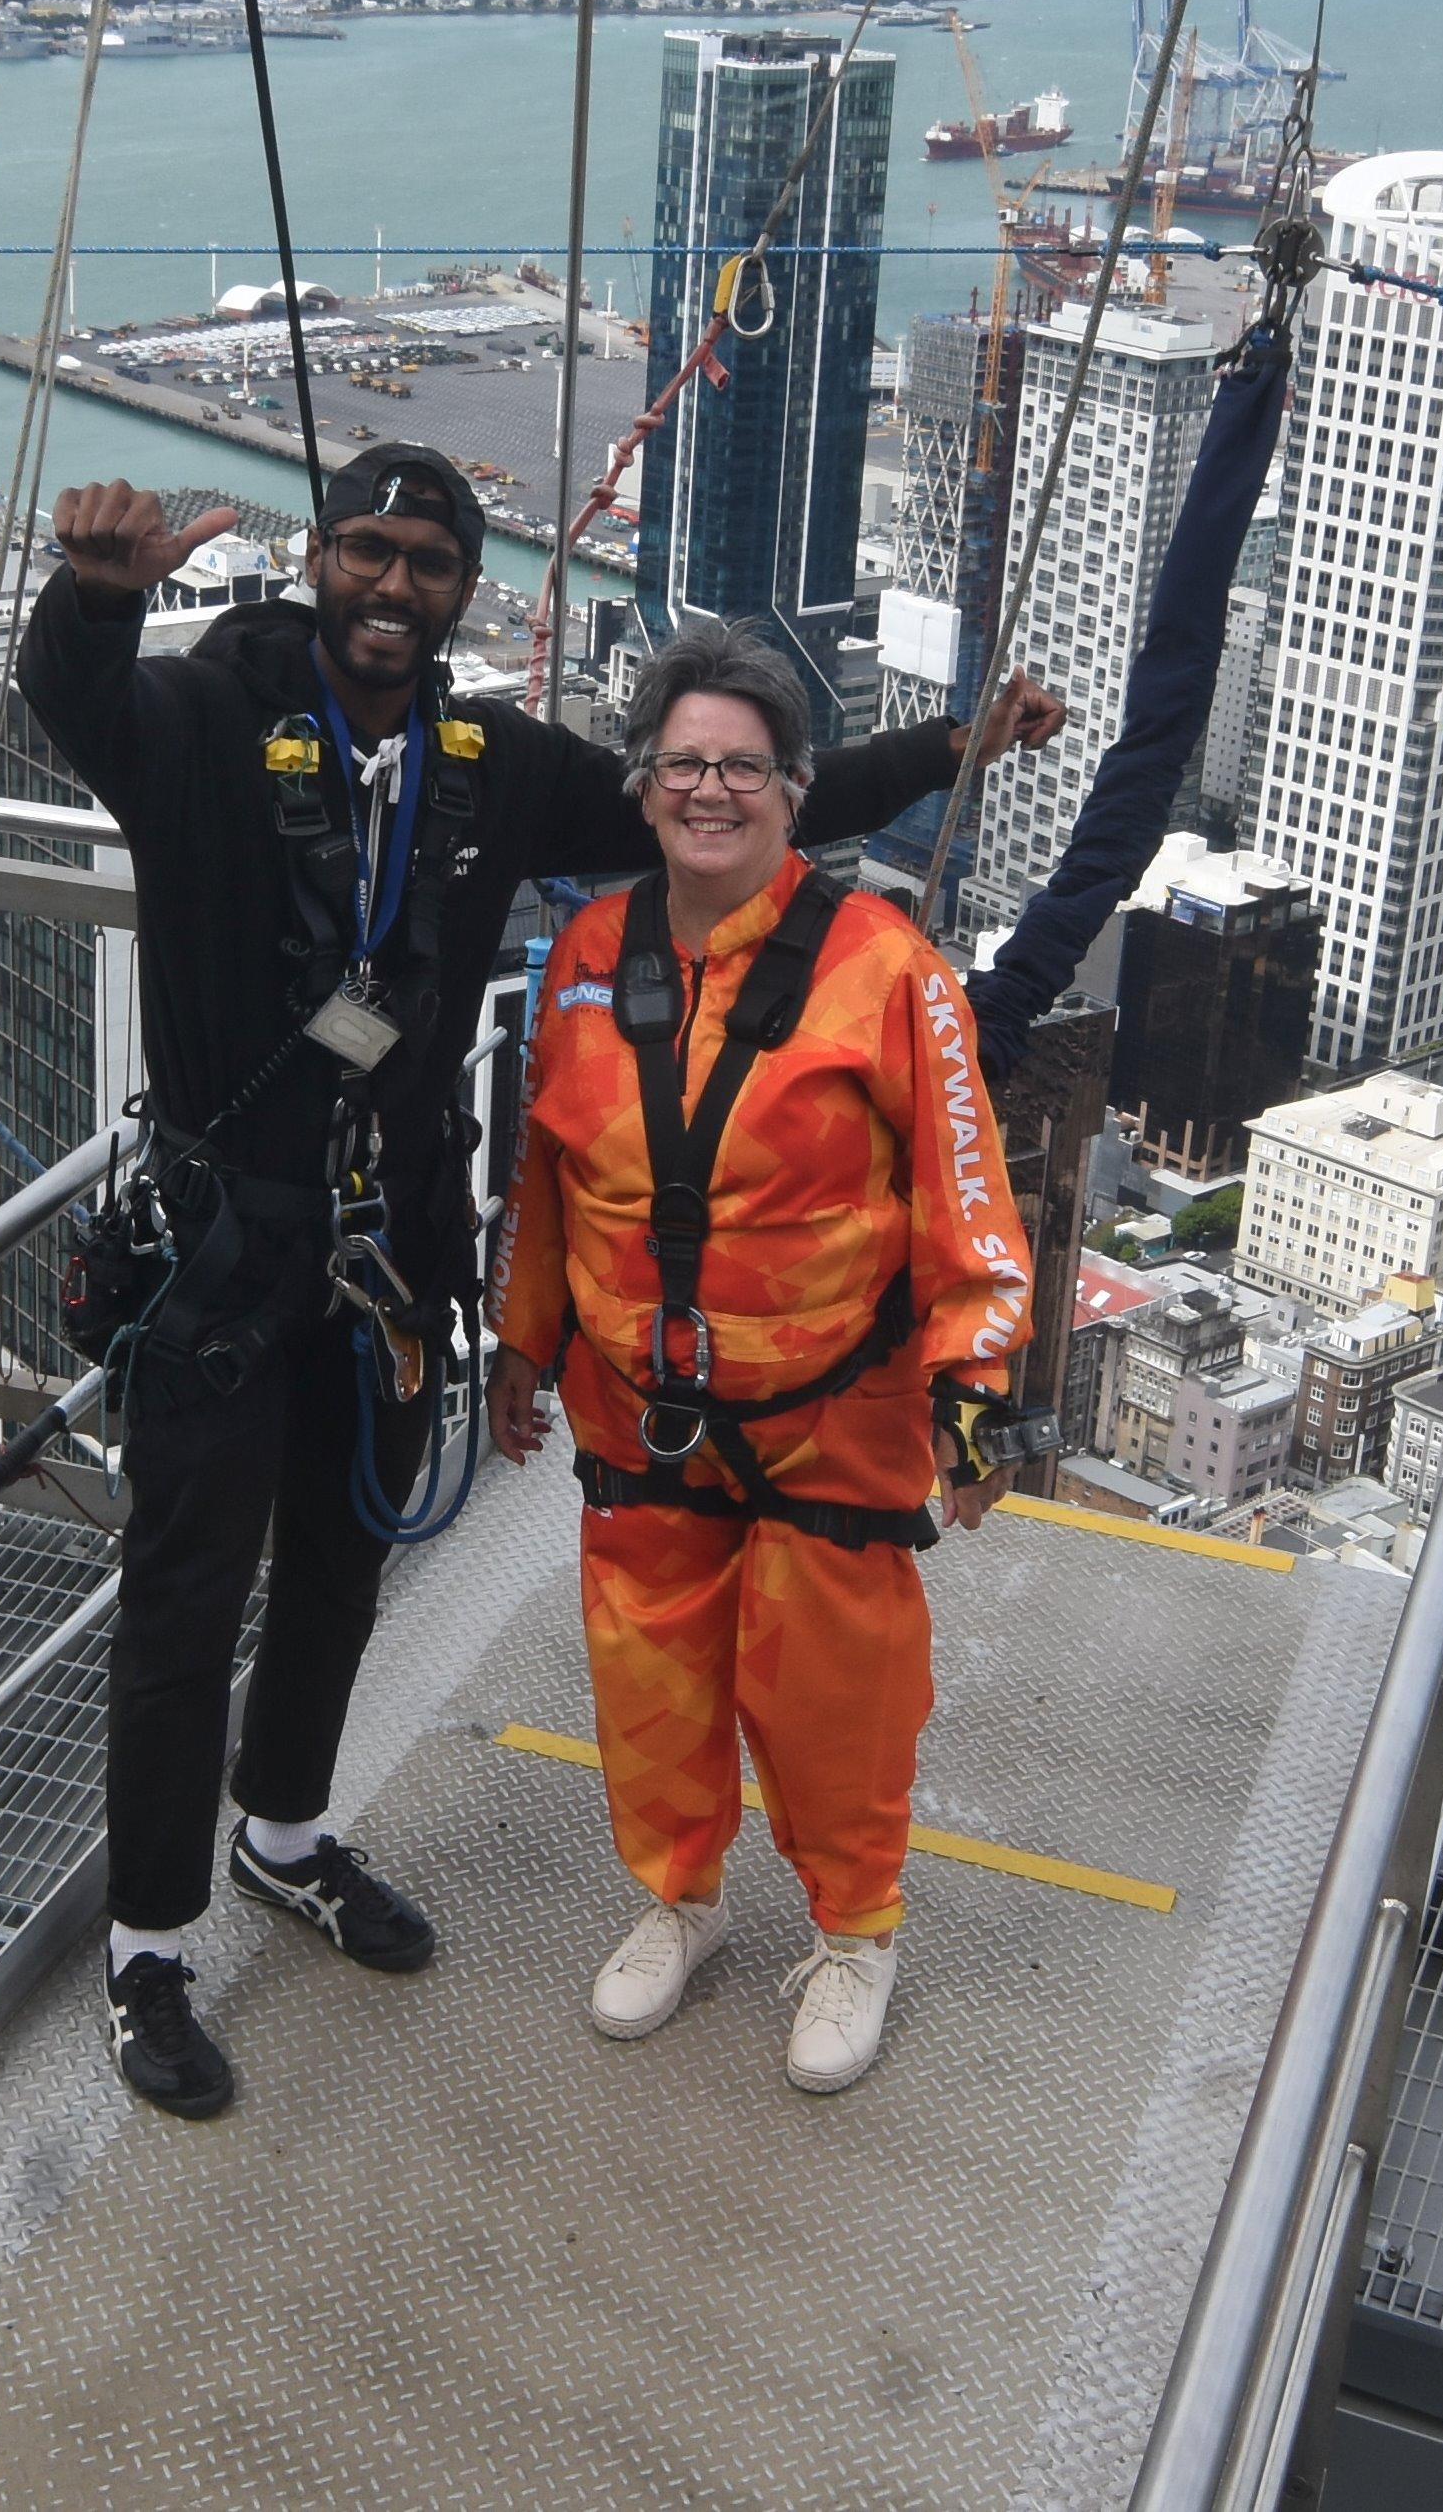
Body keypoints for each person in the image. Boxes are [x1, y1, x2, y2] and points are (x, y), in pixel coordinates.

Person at [12, 448, 1060, 2121]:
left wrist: (952, 746)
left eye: (429, 563)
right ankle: (147, 1947)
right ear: (319, 556)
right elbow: (80, 710)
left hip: (383, 1252)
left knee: (342, 1564)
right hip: (224, 1249)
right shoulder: (206, 719)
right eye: (367, 551)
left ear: (458, 590)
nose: (393, 585)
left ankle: (285, 1833)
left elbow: (717, 794)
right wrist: (93, 598)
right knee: (186, 1596)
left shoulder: (483, 763)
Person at [486, 622, 1038, 2096]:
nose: (709, 792)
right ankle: (679, 1899)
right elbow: (548, 1177)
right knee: (649, 1670)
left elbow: (965, 1194)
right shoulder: (586, 960)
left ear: (796, 789)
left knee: (832, 1690)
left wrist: (977, 1390)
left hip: (829, 1409)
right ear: (642, 785)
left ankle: (855, 1932)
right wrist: (522, 1340)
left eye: (742, 768)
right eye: (682, 765)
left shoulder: (888, 972)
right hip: (637, 1408)